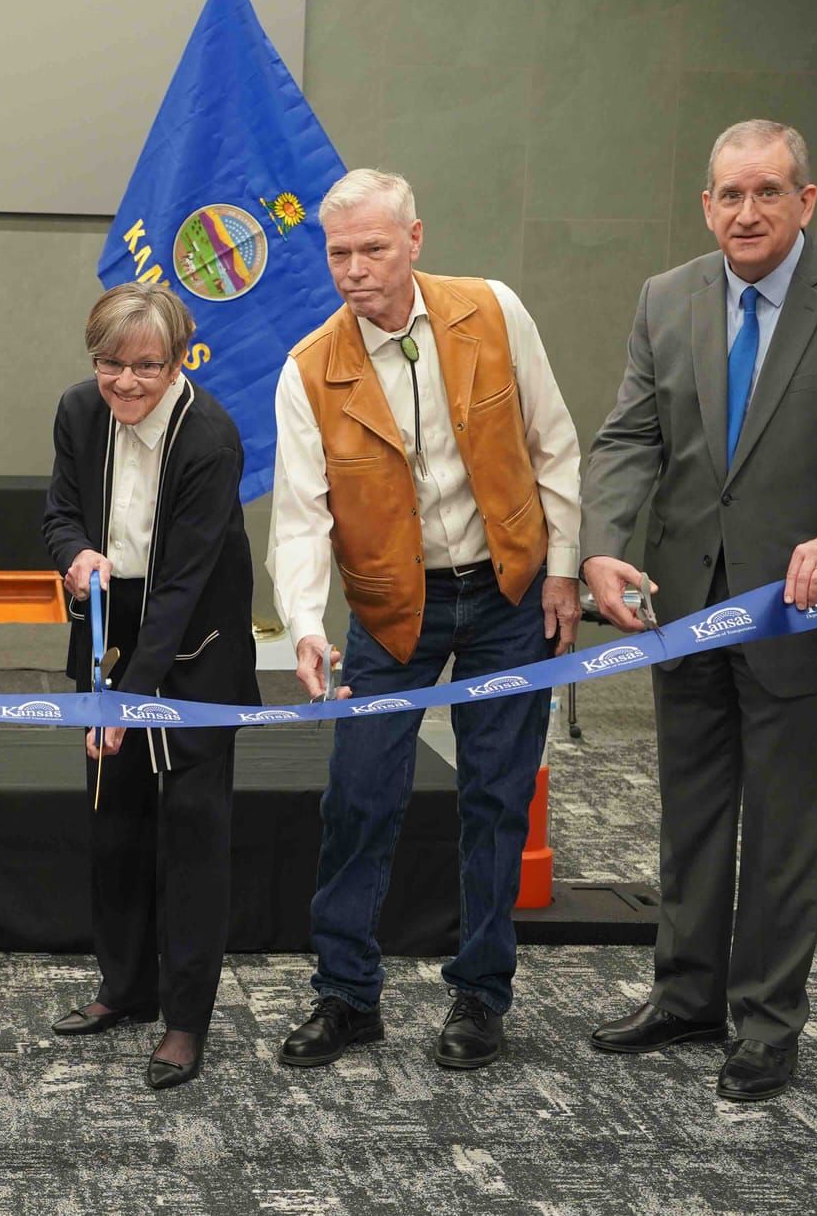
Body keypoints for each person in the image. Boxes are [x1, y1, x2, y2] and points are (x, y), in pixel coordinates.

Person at [580, 119, 817, 1101]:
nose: (746, 212)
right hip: (684, 607)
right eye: (728, 195)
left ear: (804, 200)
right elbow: (627, 439)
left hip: (803, 617)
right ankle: (687, 994)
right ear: (705, 205)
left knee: (784, 832)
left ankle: (765, 1021)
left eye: (766, 192)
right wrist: (604, 543)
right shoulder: (665, 298)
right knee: (692, 818)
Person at [267, 167, 582, 1071]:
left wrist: (561, 570)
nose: (356, 269)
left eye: (373, 247)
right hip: (390, 606)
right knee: (360, 796)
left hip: (507, 594)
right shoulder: (307, 369)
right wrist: (306, 625)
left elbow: (551, 441)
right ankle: (346, 994)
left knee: (496, 795)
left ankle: (481, 993)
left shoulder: (492, 311)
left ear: (414, 238)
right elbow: (300, 518)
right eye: (339, 253)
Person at [40, 282, 260, 1090]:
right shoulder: (77, 409)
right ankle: (122, 987)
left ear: (177, 361)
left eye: (146, 366)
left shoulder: (210, 436)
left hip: (194, 641)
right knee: (115, 825)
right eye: (110, 364)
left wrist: (127, 705)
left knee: (193, 834)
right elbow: (57, 511)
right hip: (108, 626)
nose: (126, 383)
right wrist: (73, 554)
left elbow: (179, 589)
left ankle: (184, 1018)